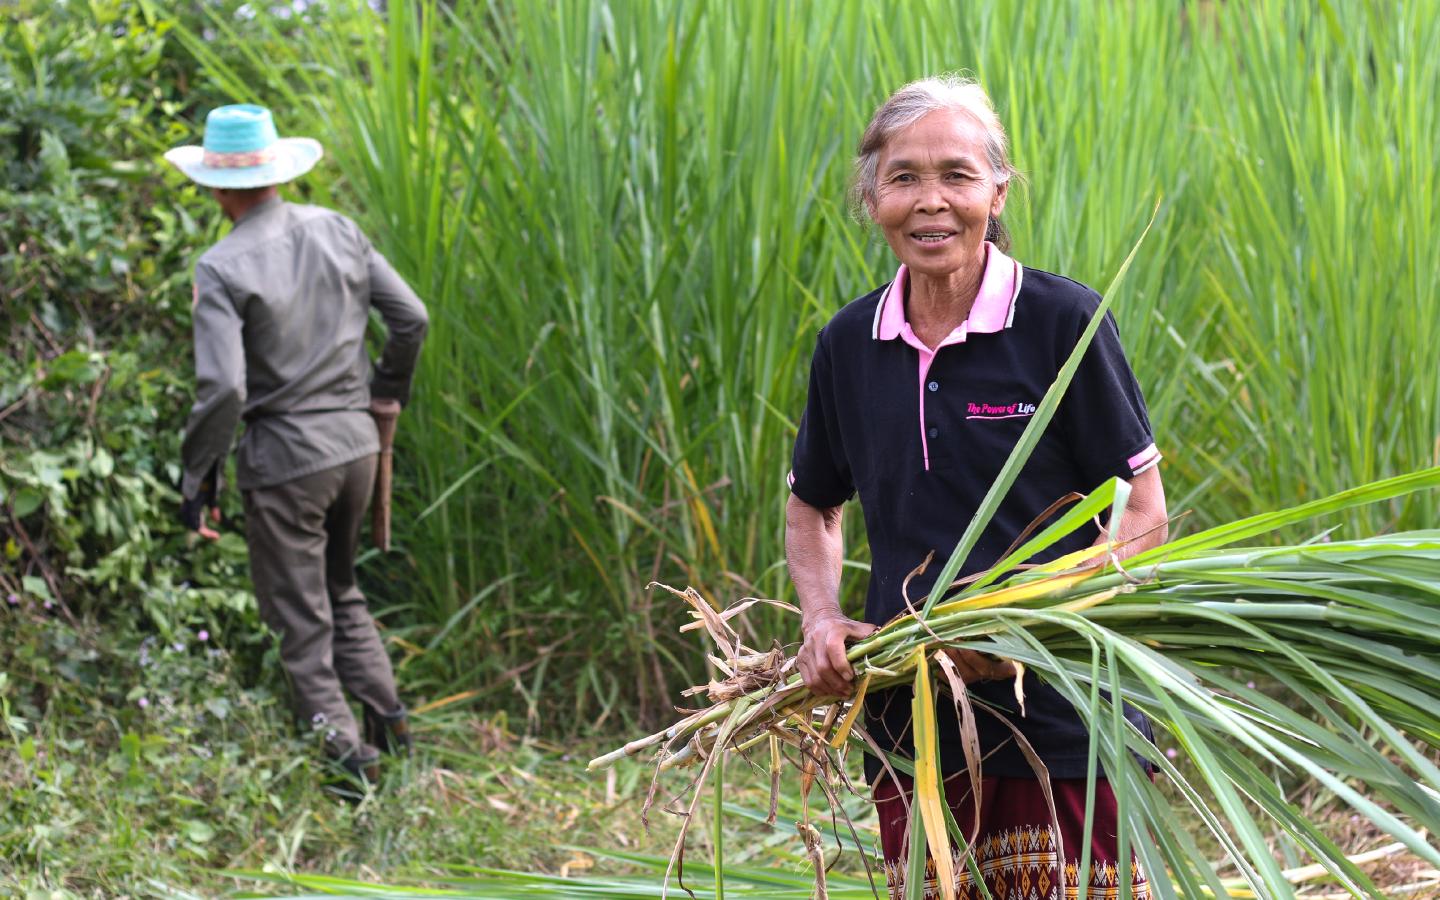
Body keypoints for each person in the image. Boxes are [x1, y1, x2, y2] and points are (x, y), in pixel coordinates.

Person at [786, 77, 1167, 899]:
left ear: (998, 191)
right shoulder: (850, 344)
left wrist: (1028, 619)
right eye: (904, 178)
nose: (932, 203)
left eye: (957, 176)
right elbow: (812, 504)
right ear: (870, 195)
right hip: (912, 725)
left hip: (1065, 721)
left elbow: (1143, 510)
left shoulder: (1063, 324)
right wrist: (821, 617)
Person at [165, 104, 429, 784]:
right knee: (342, 591)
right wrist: (383, 394)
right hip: (359, 448)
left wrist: (200, 478)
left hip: (287, 462)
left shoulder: (221, 267)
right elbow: (411, 318)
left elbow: (222, 389)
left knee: (300, 618)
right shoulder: (336, 228)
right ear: (276, 171)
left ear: (218, 188)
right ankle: (392, 730)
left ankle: (349, 767)